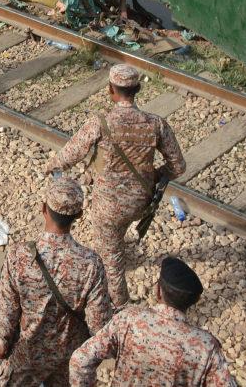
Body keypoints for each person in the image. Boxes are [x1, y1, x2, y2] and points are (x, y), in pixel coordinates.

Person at [45, 64, 186, 306]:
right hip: (141, 203)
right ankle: (120, 245)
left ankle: (119, 304)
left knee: (110, 259)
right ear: (138, 89)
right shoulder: (156, 124)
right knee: (118, 234)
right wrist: (153, 175)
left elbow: (72, 154)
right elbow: (178, 166)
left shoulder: (101, 123)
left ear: (111, 90)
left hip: (108, 208)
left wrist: (52, 165)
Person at [0, 178, 112, 386]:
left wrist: (3, 342)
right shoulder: (91, 264)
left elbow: (7, 308)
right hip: (69, 357)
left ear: (43, 208)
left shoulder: (18, 256)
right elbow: (98, 325)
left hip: (28, 352)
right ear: (79, 216)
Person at [69, 257, 235, 387]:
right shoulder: (205, 346)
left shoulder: (128, 319)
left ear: (157, 291)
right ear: (194, 302)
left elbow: (80, 360)